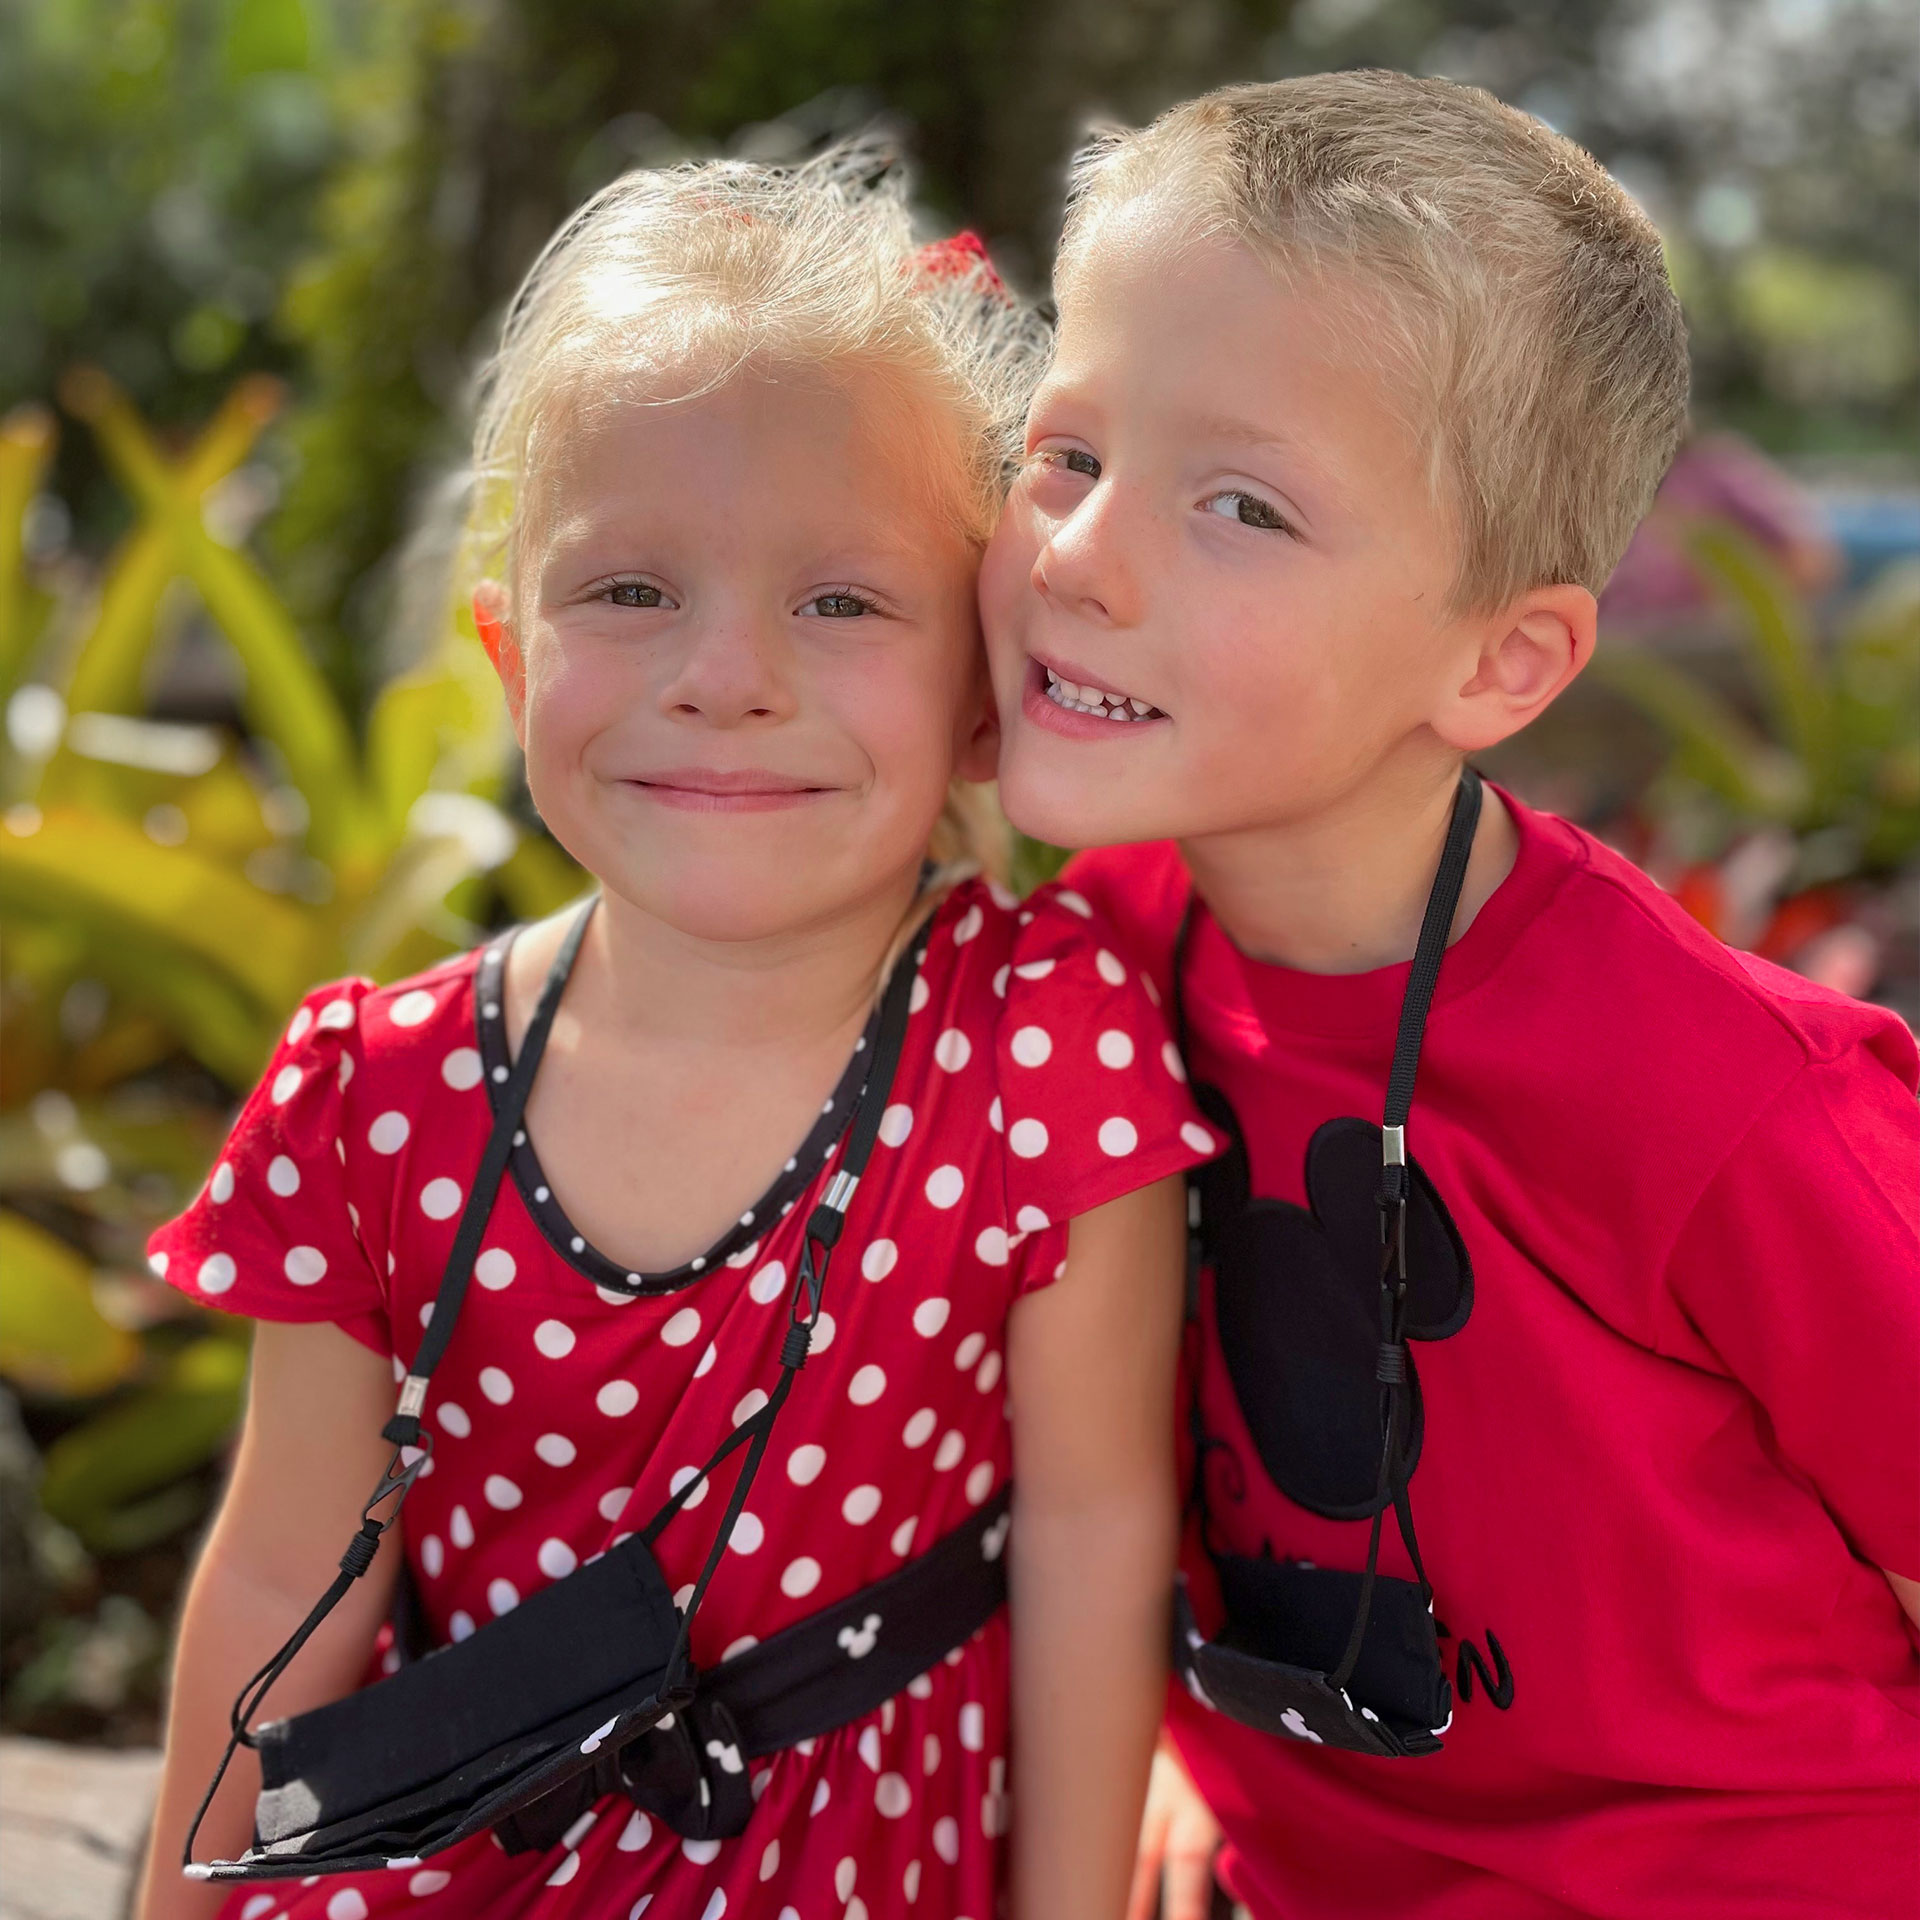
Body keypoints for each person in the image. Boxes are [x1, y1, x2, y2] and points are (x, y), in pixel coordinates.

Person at [136, 149, 1221, 1920]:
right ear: (507, 650)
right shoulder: (373, 1095)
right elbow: (282, 1583)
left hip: (861, 1870)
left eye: (843, 601)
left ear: (980, 691)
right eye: (630, 591)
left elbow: (1098, 1549)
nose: (727, 675)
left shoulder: (1041, 1051)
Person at [981, 71, 1920, 1920]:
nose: (1078, 558)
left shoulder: (1731, 1097)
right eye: (1068, 456)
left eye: (1242, 504)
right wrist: (1185, 1745)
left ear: (1502, 663)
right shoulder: (1089, 963)